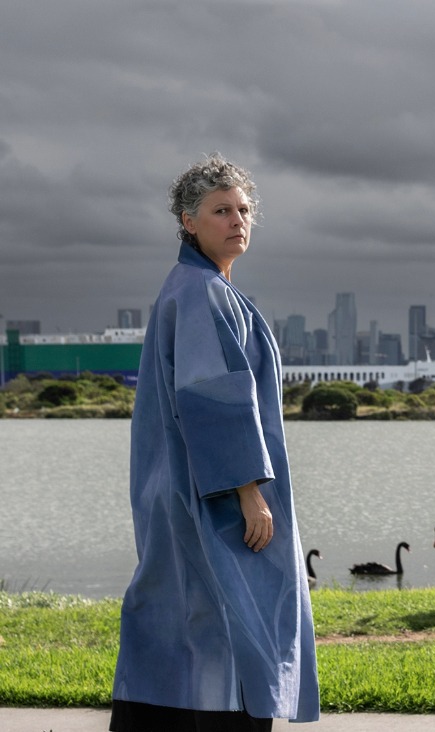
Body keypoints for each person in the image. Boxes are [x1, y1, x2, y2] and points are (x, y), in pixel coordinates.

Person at [110, 154, 320, 730]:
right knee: (234, 615)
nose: (237, 220)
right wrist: (248, 491)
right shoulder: (202, 291)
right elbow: (211, 399)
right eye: (221, 210)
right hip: (215, 492)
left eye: (244, 209)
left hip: (181, 486)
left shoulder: (196, 287)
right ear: (188, 221)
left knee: (186, 614)